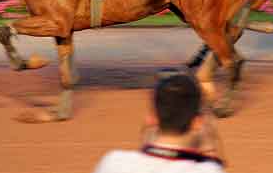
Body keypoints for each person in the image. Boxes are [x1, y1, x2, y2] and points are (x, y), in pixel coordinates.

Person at [92, 72, 226, 173]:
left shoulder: (113, 162)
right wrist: (210, 147)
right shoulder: (208, 170)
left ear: (151, 118)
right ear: (198, 123)